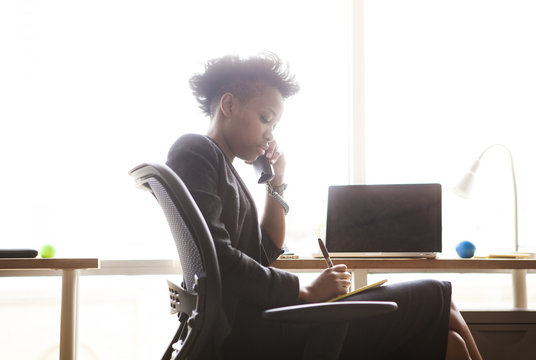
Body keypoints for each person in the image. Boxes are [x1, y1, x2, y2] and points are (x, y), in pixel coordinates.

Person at [166, 53, 482, 360]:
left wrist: (277, 182)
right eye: (266, 119)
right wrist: (304, 292)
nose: (269, 135)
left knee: (449, 344)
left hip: (261, 325)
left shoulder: (226, 167)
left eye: (274, 126)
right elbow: (218, 261)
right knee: (440, 295)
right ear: (229, 105)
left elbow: (265, 253)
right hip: (254, 335)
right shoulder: (195, 150)